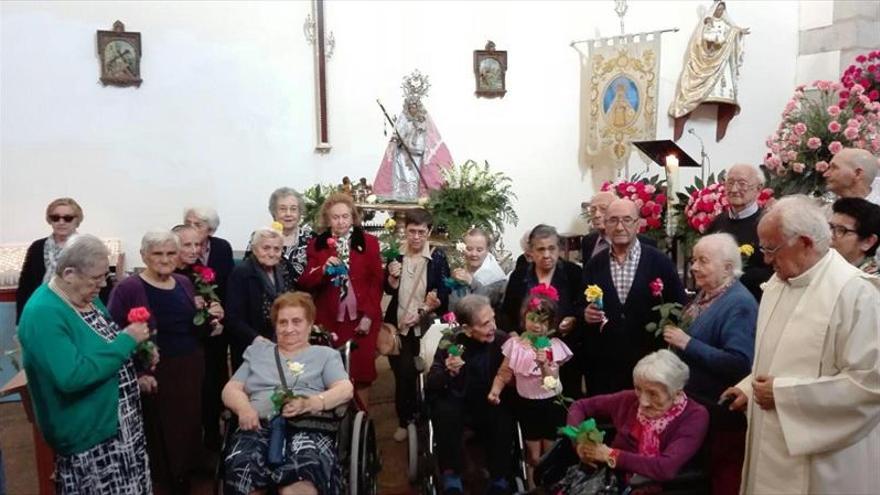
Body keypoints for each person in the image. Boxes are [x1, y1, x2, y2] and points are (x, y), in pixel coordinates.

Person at [721, 195, 880, 494]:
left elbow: (870, 384)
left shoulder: (857, 294)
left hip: (823, 463)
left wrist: (783, 395)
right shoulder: (778, 285)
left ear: (805, 242)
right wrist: (748, 386)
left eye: (772, 249)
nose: (766, 259)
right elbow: (778, 354)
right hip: (769, 443)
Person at [18, 235, 153, 494]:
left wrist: (135, 360)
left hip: (118, 425)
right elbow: (71, 376)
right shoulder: (43, 312)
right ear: (69, 273)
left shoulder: (84, 295)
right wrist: (126, 341)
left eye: (106, 276)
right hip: (89, 435)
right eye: (96, 278)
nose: (102, 284)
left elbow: (103, 344)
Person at [108, 230, 224, 494]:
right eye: (157, 253)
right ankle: (170, 480)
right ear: (144, 256)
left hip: (190, 364)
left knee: (190, 422)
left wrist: (211, 323)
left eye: (171, 253)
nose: (165, 259)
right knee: (163, 430)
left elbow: (190, 322)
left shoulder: (183, 282)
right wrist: (138, 372)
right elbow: (114, 331)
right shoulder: (129, 288)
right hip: (157, 370)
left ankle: (187, 471)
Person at [222, 292, 353, 495]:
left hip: (307, 427)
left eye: (297, 321)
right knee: (243, 473)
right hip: (257, 426)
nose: (289, 329)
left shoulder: (325, 355)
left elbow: (345, 389)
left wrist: (311, 403)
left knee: (302, 481)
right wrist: (244, 408)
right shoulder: (258, 353)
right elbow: (231, 389)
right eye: (282, 322)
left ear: (310, 324)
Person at [662, 233, 756, 495]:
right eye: (694, 260)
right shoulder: (707, 294)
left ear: (727, 268)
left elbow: (739, 363)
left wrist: (687, 343)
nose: (693, 267)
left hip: (718, 415)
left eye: (703, 261)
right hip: (696, 410)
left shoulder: (739, 303)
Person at [583, 199, 686, 396]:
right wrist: (585, 313)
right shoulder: (595, 265)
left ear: (638, 224)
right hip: (607, 364)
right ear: (605, 224)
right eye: (613, 220)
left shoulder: (659, 262)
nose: (620, 227)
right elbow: (580, 303)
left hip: (649, 362)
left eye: (627, 220)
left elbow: (679, 304)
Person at [566, 350, 709, 485]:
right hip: (613, 483)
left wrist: (611, 455)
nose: (643, 401)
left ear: (677, 393)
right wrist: (580, 440)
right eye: (638, 389)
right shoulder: (629, 399)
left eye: (653, 394)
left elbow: (666, 468)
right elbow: (579, 406)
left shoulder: (694, 416)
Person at [299, 193, 383, 408]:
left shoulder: (369, 243)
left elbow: (376, 283)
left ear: (353, 217)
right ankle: (335, 424)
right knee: (332, 375)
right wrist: (323, 269)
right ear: (327, 219)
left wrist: (369, 316)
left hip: (362, 320)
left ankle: (361, 422)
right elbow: (306, 281)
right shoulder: (316, 245)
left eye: (345, 216)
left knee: (362, 374)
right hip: (329, 320)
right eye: (335, 217)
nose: (341, 222)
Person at [426, 295, 516, 495]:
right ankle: (452, 476)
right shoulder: (451, 340)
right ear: (466, 328)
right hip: (460, 401)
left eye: (493, 319)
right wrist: (449, 373)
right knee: (444, 411)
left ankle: (499, 477)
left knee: (504, 413)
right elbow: (432, 383)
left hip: (490, 400)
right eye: (485, 324)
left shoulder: (502, 340)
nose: (493, 326)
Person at [488, 289, 572, 487]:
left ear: (550, 324)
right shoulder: (515, 345)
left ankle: (552, 486)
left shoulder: (553, 346)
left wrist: (543, 364)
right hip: (526, 405)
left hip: (551, 404)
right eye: (532, 318)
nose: (536, 325)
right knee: (533, 454)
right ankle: (532, 487)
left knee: (550, 451)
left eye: (542, 321)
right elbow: (504, 373)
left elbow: (551, 381)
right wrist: (495, 391)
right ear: (524, 318)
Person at [383, 208, 450, 442]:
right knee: (403, 375)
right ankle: (404, 420)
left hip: (425, 326)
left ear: (429, 231)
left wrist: (423, 311)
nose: (416, 237)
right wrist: (391, 279)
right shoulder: (395, 254)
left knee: (430, 371)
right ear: (405, 230)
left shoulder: (437, 257)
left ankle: (426, 417)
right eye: (412, 231)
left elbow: (443, 292)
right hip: (399, 327)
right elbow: (388, 288)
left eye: (421, 232)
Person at [501, 224, 583, 397]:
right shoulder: (519, 276)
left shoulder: (573, 273)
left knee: (564, 403)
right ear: (531, 252)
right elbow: (506, 312)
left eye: (551, 248)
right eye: (540, 249)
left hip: (564, 353)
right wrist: (513, 334)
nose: (547, 255)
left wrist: (573, 318)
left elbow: (582, 306)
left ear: (559, 248)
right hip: (527, 354)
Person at [669, 0, 749, 141]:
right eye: (718, 9)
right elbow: (703, 38)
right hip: (708, 58)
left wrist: (739, 31)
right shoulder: (708, 23)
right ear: (714, 10)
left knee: (724, 86)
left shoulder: (726, 26)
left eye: (722, 10)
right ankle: (684, 114)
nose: (720, 12)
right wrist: (714, 38)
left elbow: (732, 33)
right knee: (700, 86)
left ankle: (723, 119)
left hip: (721, 63)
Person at [373, 70, 453, 202]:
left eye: (415, 107)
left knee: (418, 191)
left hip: (417, 159)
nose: (413, 109)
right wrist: (397, 141)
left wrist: (415, 145)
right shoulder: (403, 121)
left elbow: (430, 143)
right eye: (410, 107)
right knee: (401, 191)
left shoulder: (424, 123)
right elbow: (396, 139)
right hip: (402, 161)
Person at [16, 198, 99, 323]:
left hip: (81, 313)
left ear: (77, 221)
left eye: (68, 218)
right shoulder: (37, 247)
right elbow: (25, 286)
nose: (61, 222)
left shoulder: (89, 248)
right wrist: (21, 320)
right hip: (43, 311)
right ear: (50, 220)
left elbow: (101, 285)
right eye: (55, 217)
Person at [227, 228, 291, 370]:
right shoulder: (242, 272)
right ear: (255, 249)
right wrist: (255, 338)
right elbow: (232, 317)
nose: (271, 253)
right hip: (250, 344)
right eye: (266, 248)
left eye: (276, 249)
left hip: (281, 341)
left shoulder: (284, 269)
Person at [707, 163, 773, 301]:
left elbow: (774, 270)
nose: (734, 189)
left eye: (742, 184)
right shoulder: (717, 223)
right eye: (729, 183)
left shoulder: (767, 224)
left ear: (758, 188)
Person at [244, 187, 314, 288]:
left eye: (293, 209)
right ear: (274, 212)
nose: (288, 214)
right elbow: (247, 270)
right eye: (282, 209)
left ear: (299, 213)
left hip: (303, 298)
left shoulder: (311, 237)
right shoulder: (260, 236)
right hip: (265, 296)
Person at [581, 191, 658, 264]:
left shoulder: (645, 243)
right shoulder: (588, 241)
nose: (596, 215)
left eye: (603, 209)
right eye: (593, 210)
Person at [448, 227, 507, 310]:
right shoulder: (460, 267)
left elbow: (489, 301)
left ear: (487, 250)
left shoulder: (496, 277)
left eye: (479, 250)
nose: (473, 254)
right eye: (469, 249)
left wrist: (472, 282)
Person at [830, 197, 880, 274]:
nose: (830, 235)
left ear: (868, 242)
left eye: (841, 230)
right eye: (830, 227)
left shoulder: (869, 283)